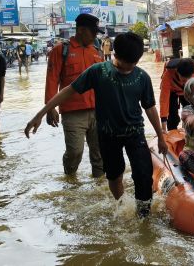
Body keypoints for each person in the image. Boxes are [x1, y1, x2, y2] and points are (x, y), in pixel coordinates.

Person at [25, 32, 167, 218]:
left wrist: (161, 137)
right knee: (114, 175)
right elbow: (68, 91)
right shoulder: (98, 72)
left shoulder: (142, 77)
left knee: (143, 174)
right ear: (115, 55)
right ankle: (122, 205)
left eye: (134, 64)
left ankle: (144, 215)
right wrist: (40, 113)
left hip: (135, 133)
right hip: (107, 136)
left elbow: (150, 108)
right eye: (126, 63)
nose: (129, 68)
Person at [45, 13, 105, 178]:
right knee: (75, 152)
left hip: (98, 111)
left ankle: (99, 187)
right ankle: (70, 179)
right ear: (81, 30)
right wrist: (50, 109)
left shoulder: (97, 52)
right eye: (93, 32)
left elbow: (105, 81)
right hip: (72, 113)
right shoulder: (60, 51)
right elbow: (51, 80)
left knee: (99, 154)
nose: (95, 36)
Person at [159, 58, 194, 131]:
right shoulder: (167, 75)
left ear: (193, 74)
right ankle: (171, 131)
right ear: (177, 72)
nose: (185, 83)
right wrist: (163, 128)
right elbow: (164, 100)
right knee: (172, 117)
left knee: (192, 110)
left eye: (188, 80)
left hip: (188, 90)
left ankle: (187, 129)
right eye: (183, 80)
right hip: (172, 91)